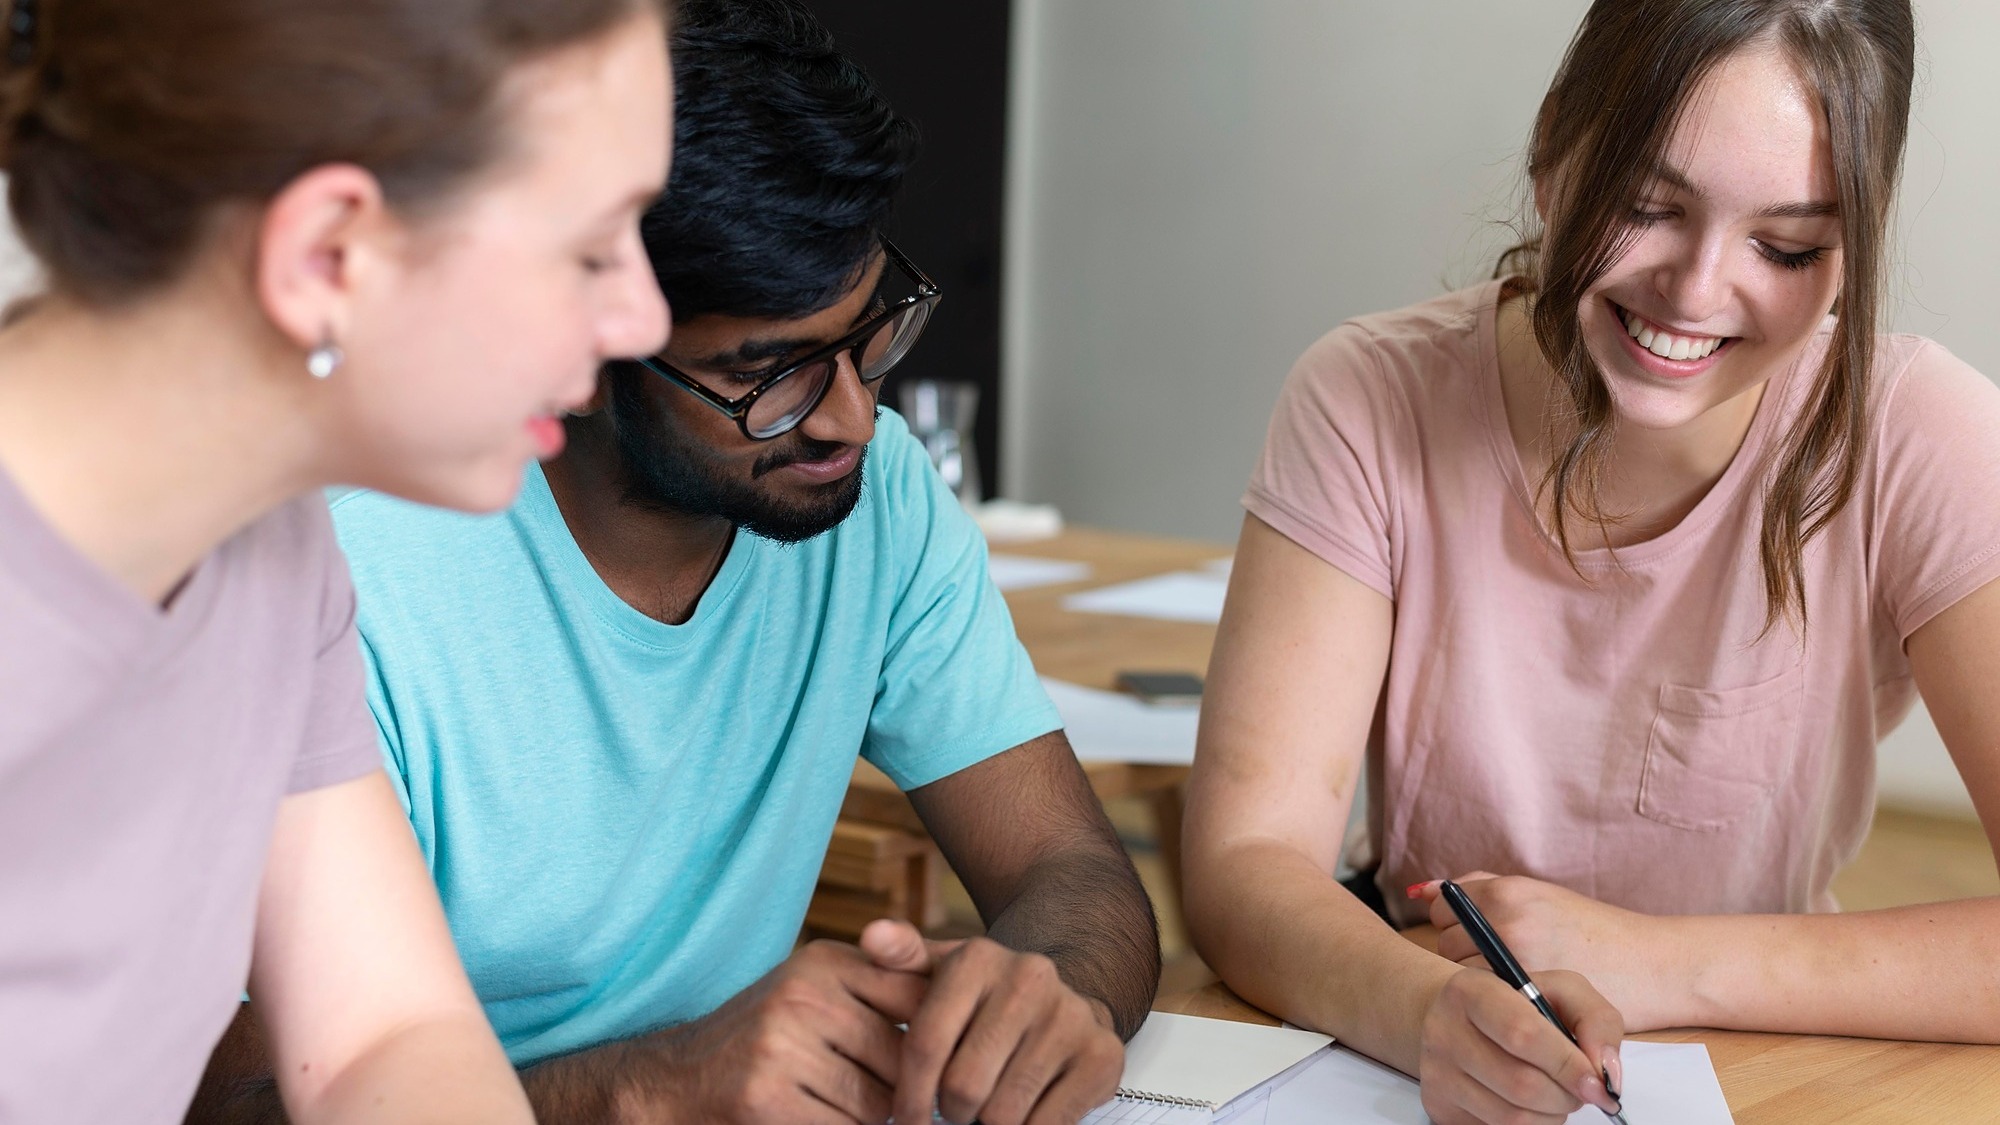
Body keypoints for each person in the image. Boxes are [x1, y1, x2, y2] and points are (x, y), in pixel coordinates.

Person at [188, 3, 1158, 1124]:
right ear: (589, 339)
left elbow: (1072, 869)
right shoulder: (350, 569)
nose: (848, 416)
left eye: (869, 334)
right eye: (768, 372)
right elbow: (234, 1108)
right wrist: (649, 1089)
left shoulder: (872, 494)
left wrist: (1047, 993)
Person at [1183, 2, 2000, 1123]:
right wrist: (1431, 1015)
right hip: (1412, 1033)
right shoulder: (1369, 397)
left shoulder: (1921, 436)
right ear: (1551, 147)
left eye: (1785, 246)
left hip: (1775, 1069)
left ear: (1852, 242)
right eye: (1646, 206)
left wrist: (1656, 961)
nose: (1695, 289)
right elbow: (1244, 862)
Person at [0, 0, 674, 1119]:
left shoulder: (271, 538)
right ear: (326, 255)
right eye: (591, 248)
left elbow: (385, 1035)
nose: (643, 317)